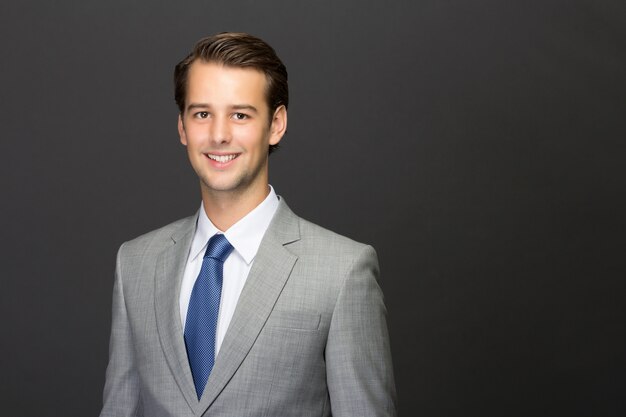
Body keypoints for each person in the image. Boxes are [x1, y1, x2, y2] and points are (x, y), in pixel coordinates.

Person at [100, 32, 397, 417]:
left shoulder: (343, 272)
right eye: (202, 113)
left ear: (276, 124)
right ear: (182, 127)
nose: (219, 134)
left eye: (240, 115)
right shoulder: (135, 264)